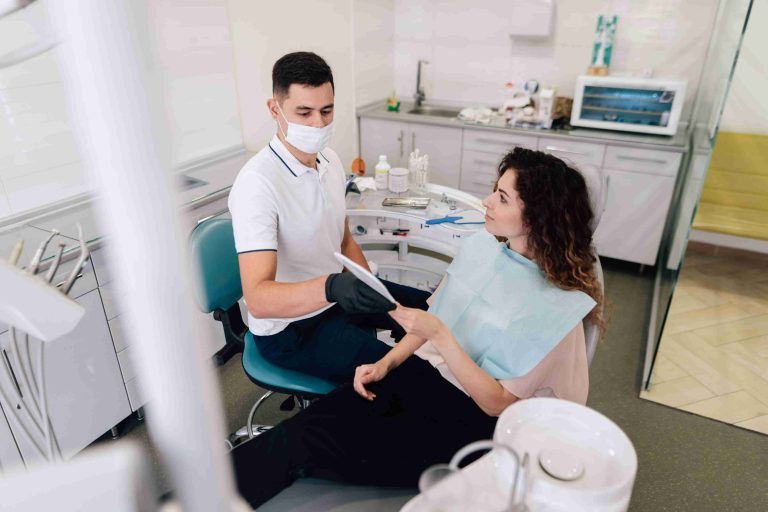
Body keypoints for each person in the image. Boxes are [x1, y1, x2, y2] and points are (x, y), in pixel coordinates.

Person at [231, 147, 606, 508]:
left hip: (472, 422)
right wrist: (388, 364)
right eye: (495, 190)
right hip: (423, 376)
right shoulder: (485, 249)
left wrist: (440, 334)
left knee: (306, 446)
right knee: (299, 434)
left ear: (538, 217)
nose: (487, 201)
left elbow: (494, 404)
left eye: (503, 198)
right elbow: (434, 320)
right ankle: (205, 495)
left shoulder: (555, 309)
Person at [228, 52, 430, 382]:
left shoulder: (330, 160)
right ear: (274, 109)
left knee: (434, 313)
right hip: (292, 331)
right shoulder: (257, 184)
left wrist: (376, 295)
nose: (318, 124)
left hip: (337, 300)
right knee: (408, 375)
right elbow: (259, 299)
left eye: (326, 111)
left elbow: (344, 240)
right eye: (304, 113)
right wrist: (331, 286)